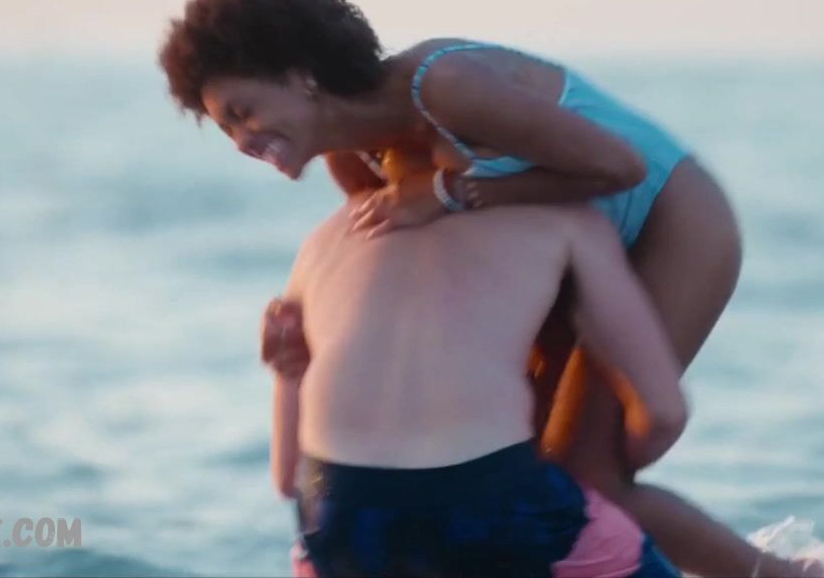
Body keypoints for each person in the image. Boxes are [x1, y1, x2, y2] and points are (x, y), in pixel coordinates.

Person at [160, 0, 816, 577]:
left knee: (588, 477)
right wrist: (298, 365)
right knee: (521, 466)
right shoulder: (351, 159)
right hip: (576, 243)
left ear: (301, 73)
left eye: (243, 112)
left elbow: (619, 167)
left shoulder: (443, 86)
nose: (241, 141)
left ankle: (779, 575)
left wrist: (448, 192)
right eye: (226, 128)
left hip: (668, 218)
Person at [268, 148, 686, 576]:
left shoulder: (322, 241)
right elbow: (663, 414)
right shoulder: (567, 221)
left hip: (339, 520)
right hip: (494, 503)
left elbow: (286, 477)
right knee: (595, 542)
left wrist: (289, 372)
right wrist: (605, 468)